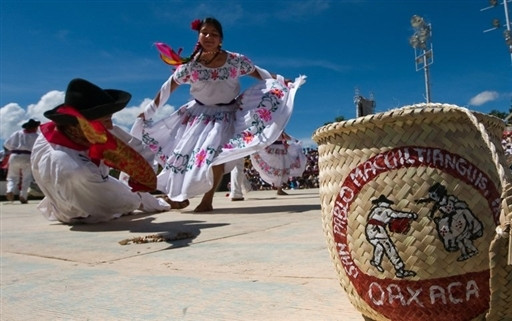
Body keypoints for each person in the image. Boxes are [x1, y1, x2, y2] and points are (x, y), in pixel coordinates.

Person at [135, 17, 305, 212]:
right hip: (197, 116)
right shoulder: (190, 66)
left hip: (226, 114)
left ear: (221, 40)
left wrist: (283, 81)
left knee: (216, 156)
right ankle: (178, 196)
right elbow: (167, 88)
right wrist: (148, 112)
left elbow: (260, 73)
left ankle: (207, 200)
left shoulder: (234, 60)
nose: (209, 36)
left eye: (214, 34)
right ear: (198, 37)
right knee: (183, 156)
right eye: (205, 32)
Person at [31, 78, 170, 224]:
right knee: (126, 201)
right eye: (105, 120)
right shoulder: (57, 157)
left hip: (101, 184)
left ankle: (152, 202)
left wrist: (138, 181)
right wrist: (135, 199)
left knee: (131, 197)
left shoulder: (99, 131)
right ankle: (145, 202)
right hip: (69, 206)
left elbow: (140, 153)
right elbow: (90, 191)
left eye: (110, 118)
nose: (110, 125)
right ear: (82, 124)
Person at [4, 118, 41, 203]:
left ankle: (10, 189)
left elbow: (6, 144)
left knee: (12, 176)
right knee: (27, 177)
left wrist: (14, 149)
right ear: (34, 127)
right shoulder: (36, 136)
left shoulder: (16, 133)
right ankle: (23, 195)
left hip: (14, 155)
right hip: (27, 156)